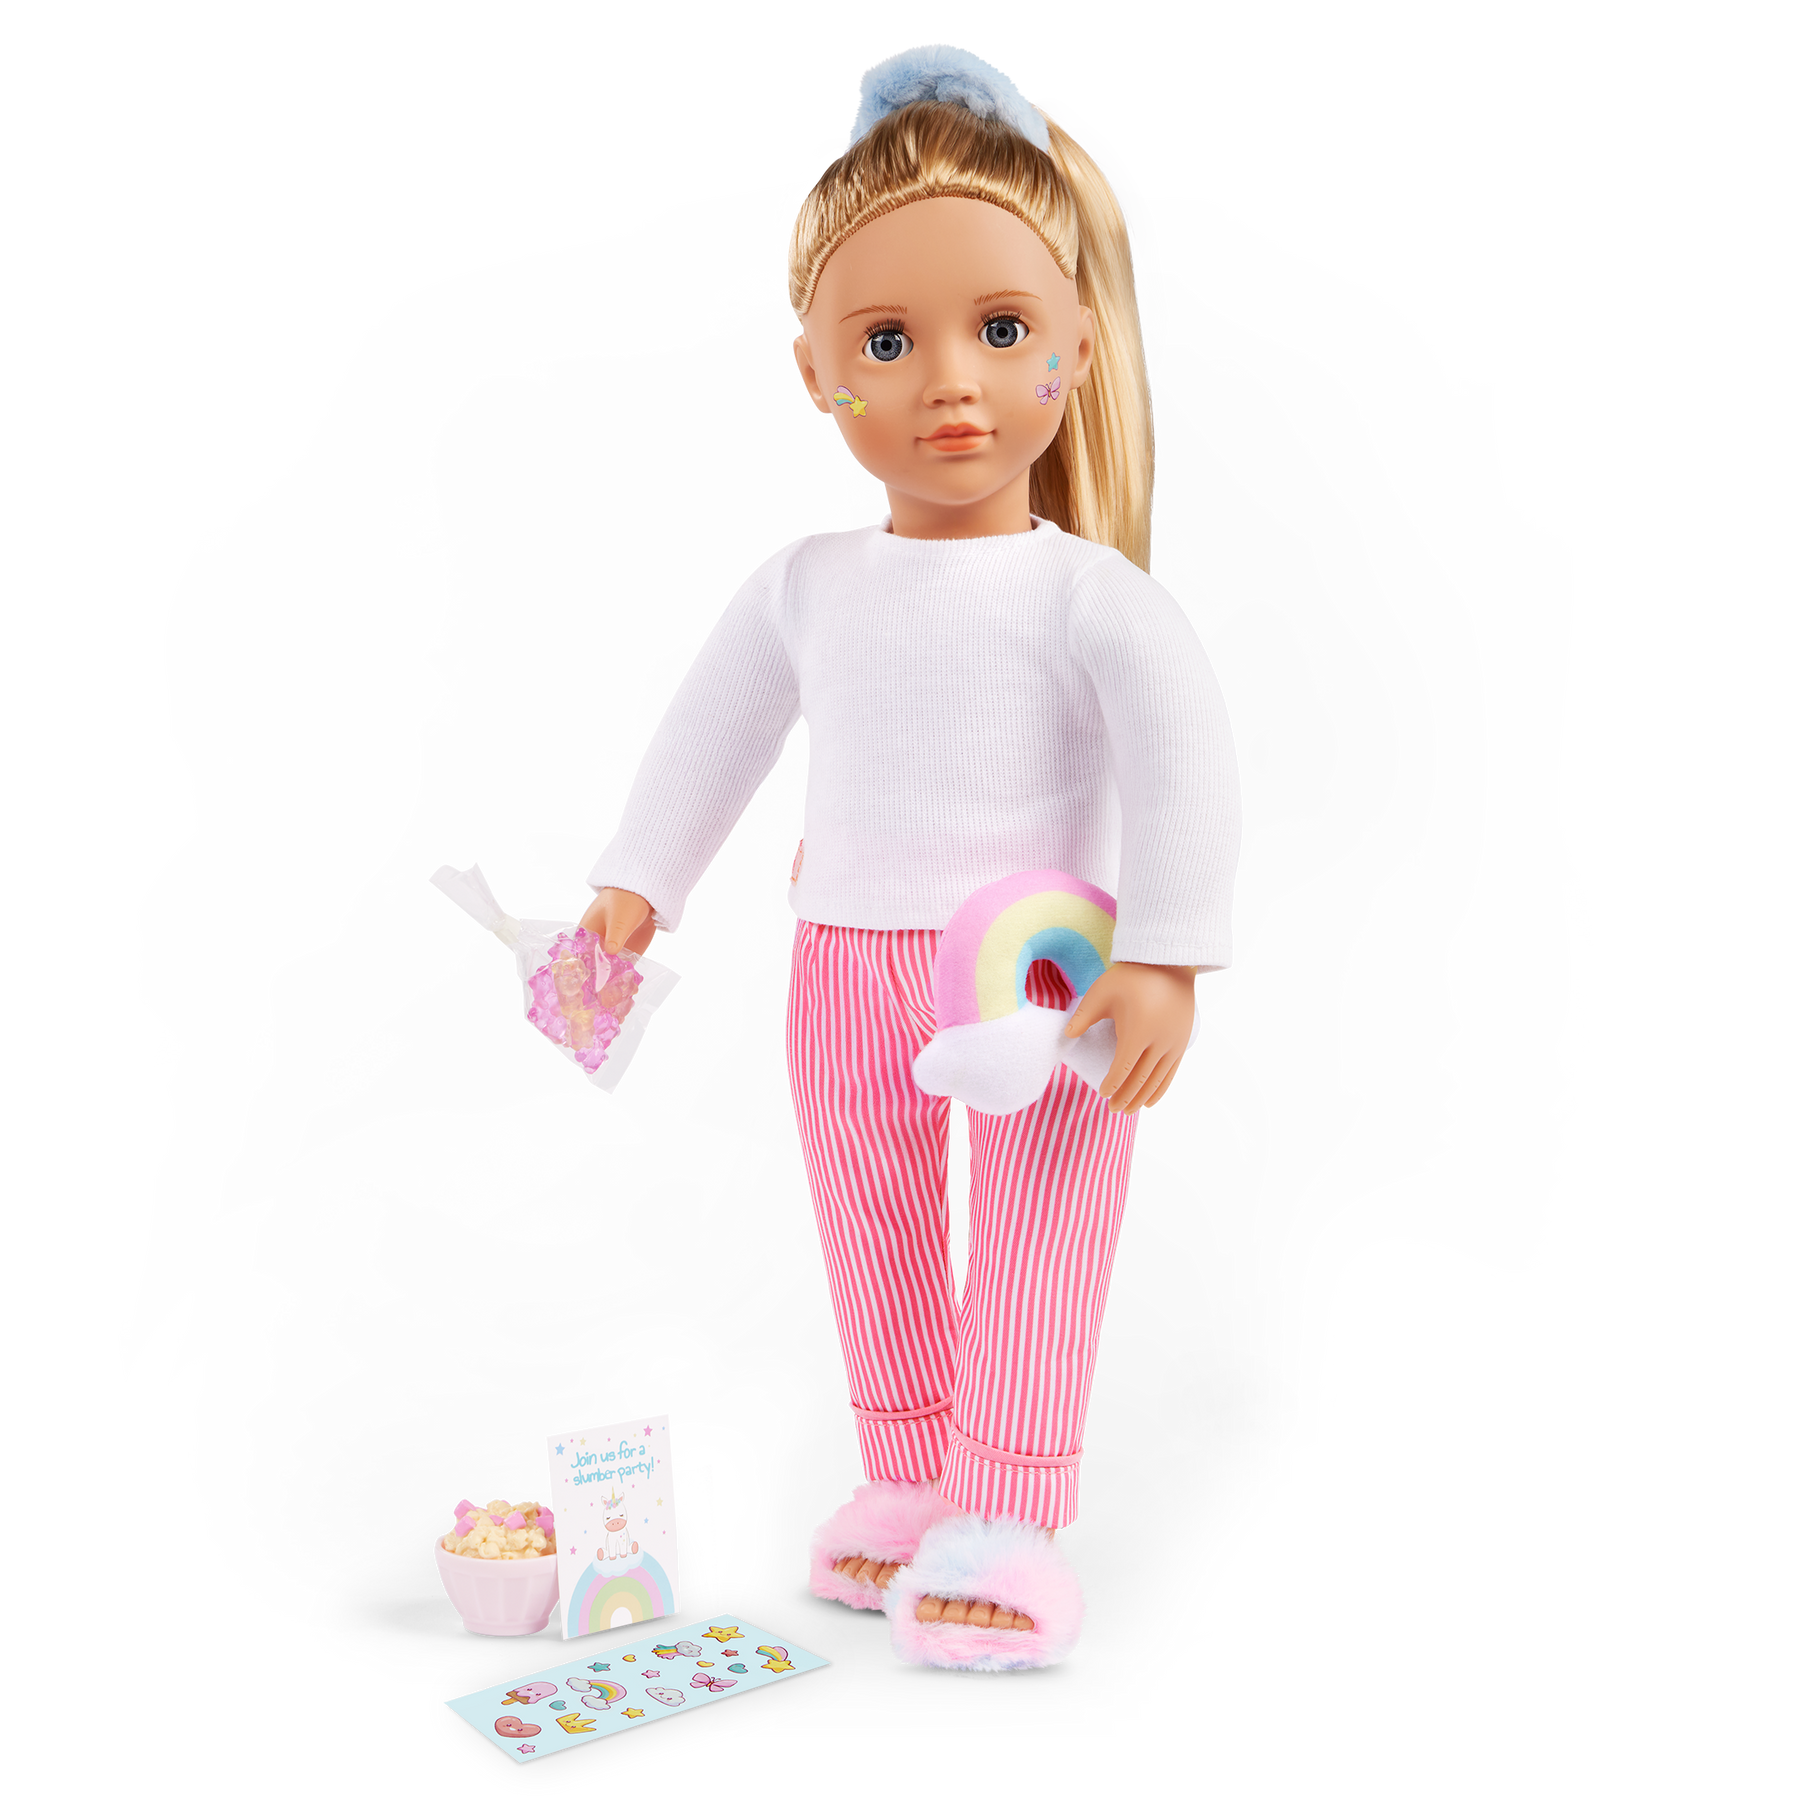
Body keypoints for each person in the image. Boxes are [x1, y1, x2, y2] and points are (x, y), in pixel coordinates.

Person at [579, 42, 1242, 1671]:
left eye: (1000, 330)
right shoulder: (806, 582)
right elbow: (713, 735)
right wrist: (635, 884)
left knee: (1043, 1232)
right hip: (844, 953)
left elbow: (1188, 756)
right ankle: (906, 1478)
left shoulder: (1095, 596)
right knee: (864, 1208)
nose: (952, 381)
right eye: (889, 340)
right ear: (817, 373)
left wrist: (1170, 954)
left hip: (1053, 962)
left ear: (1077, 343)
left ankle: (1008, 1514)